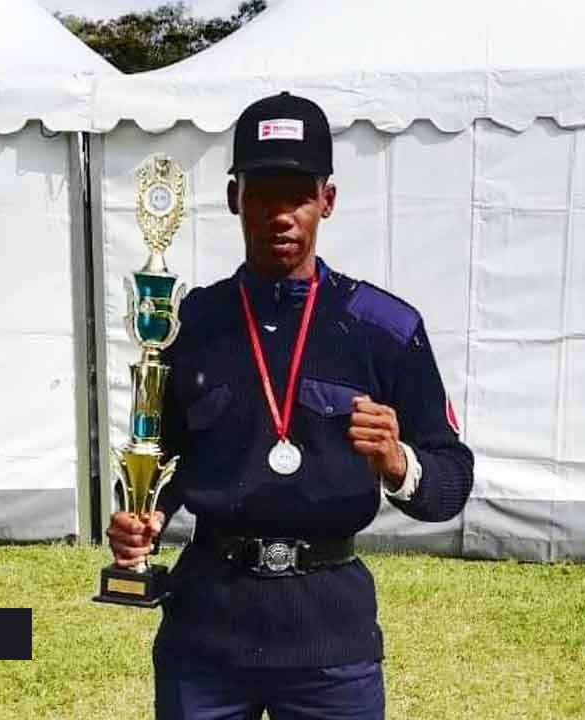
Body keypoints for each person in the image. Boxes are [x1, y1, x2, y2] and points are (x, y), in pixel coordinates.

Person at [106, 91, 474, 720]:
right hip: (205, 639)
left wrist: (397, 462)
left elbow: (451, 482)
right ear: (234, 198)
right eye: (263, 194)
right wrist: (141, 520)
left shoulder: (384, 328)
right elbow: (161, 457)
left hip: (330, 643)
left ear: (327, 200)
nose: (281, 215)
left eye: (298, 196)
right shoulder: (188, 325)